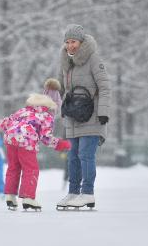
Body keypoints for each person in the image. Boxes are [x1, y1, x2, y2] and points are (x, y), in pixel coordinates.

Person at [0, 92, 71, 211]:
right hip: (27, 141)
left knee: (13, 167)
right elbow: (46, 138)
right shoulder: (46, 116)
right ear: (49, 107)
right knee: (31, 169)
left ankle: (10, 196)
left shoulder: (22, 111)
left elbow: (5, 122)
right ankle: (28, 198)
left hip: (11, 139)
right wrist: (61, 144)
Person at [57, 24, 111, 209]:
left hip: (92, 116)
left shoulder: (93, 59)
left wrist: (104, 112)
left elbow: (104, 87)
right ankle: (73, 192)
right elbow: (60, 89)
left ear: (81, 42)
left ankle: (87, 193)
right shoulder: (66, 62)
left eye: (73, 42)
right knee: (73, 156)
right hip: (72, 118)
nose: (70, 46)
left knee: (86, 156)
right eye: (67, 42)